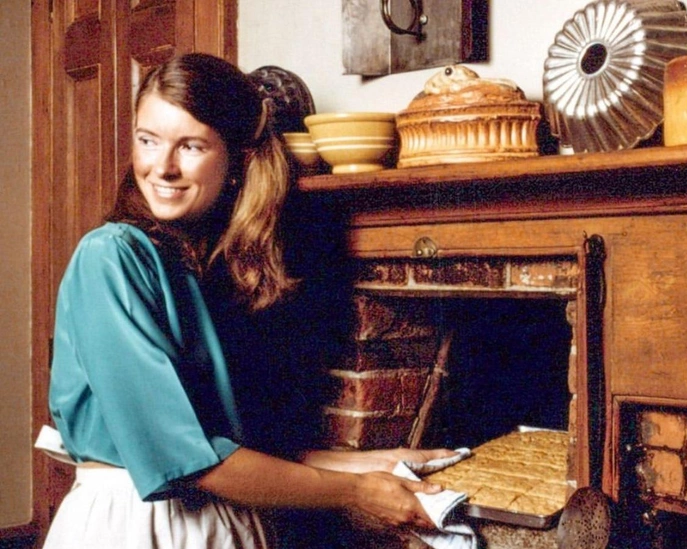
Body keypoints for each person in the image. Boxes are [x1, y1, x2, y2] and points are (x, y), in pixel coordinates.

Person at [41, 52, 458, 549]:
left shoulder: (199, 264)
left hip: (227, 520)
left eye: (191, 146)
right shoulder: (109, 257)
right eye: (147, 140)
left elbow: (223, 446)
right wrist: (358, 491)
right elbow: (189, 462)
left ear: (237, 161)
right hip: (135, 526)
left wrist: (371, 464)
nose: (162, 167)